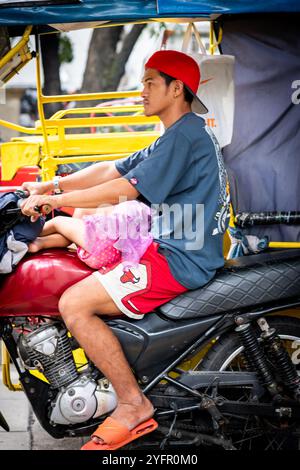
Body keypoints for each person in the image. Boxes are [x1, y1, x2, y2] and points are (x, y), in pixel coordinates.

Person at [21, 50, 230, 450]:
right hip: (173, 248)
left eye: (151, 81)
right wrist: (52, 186)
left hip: (178, 258)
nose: (143, 90)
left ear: (176, 88)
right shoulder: (180, 133)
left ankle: (133, 403)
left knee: (75, 304)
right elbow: (113, 170)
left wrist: (56, 203)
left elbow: (126, 189)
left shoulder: (185, 135)